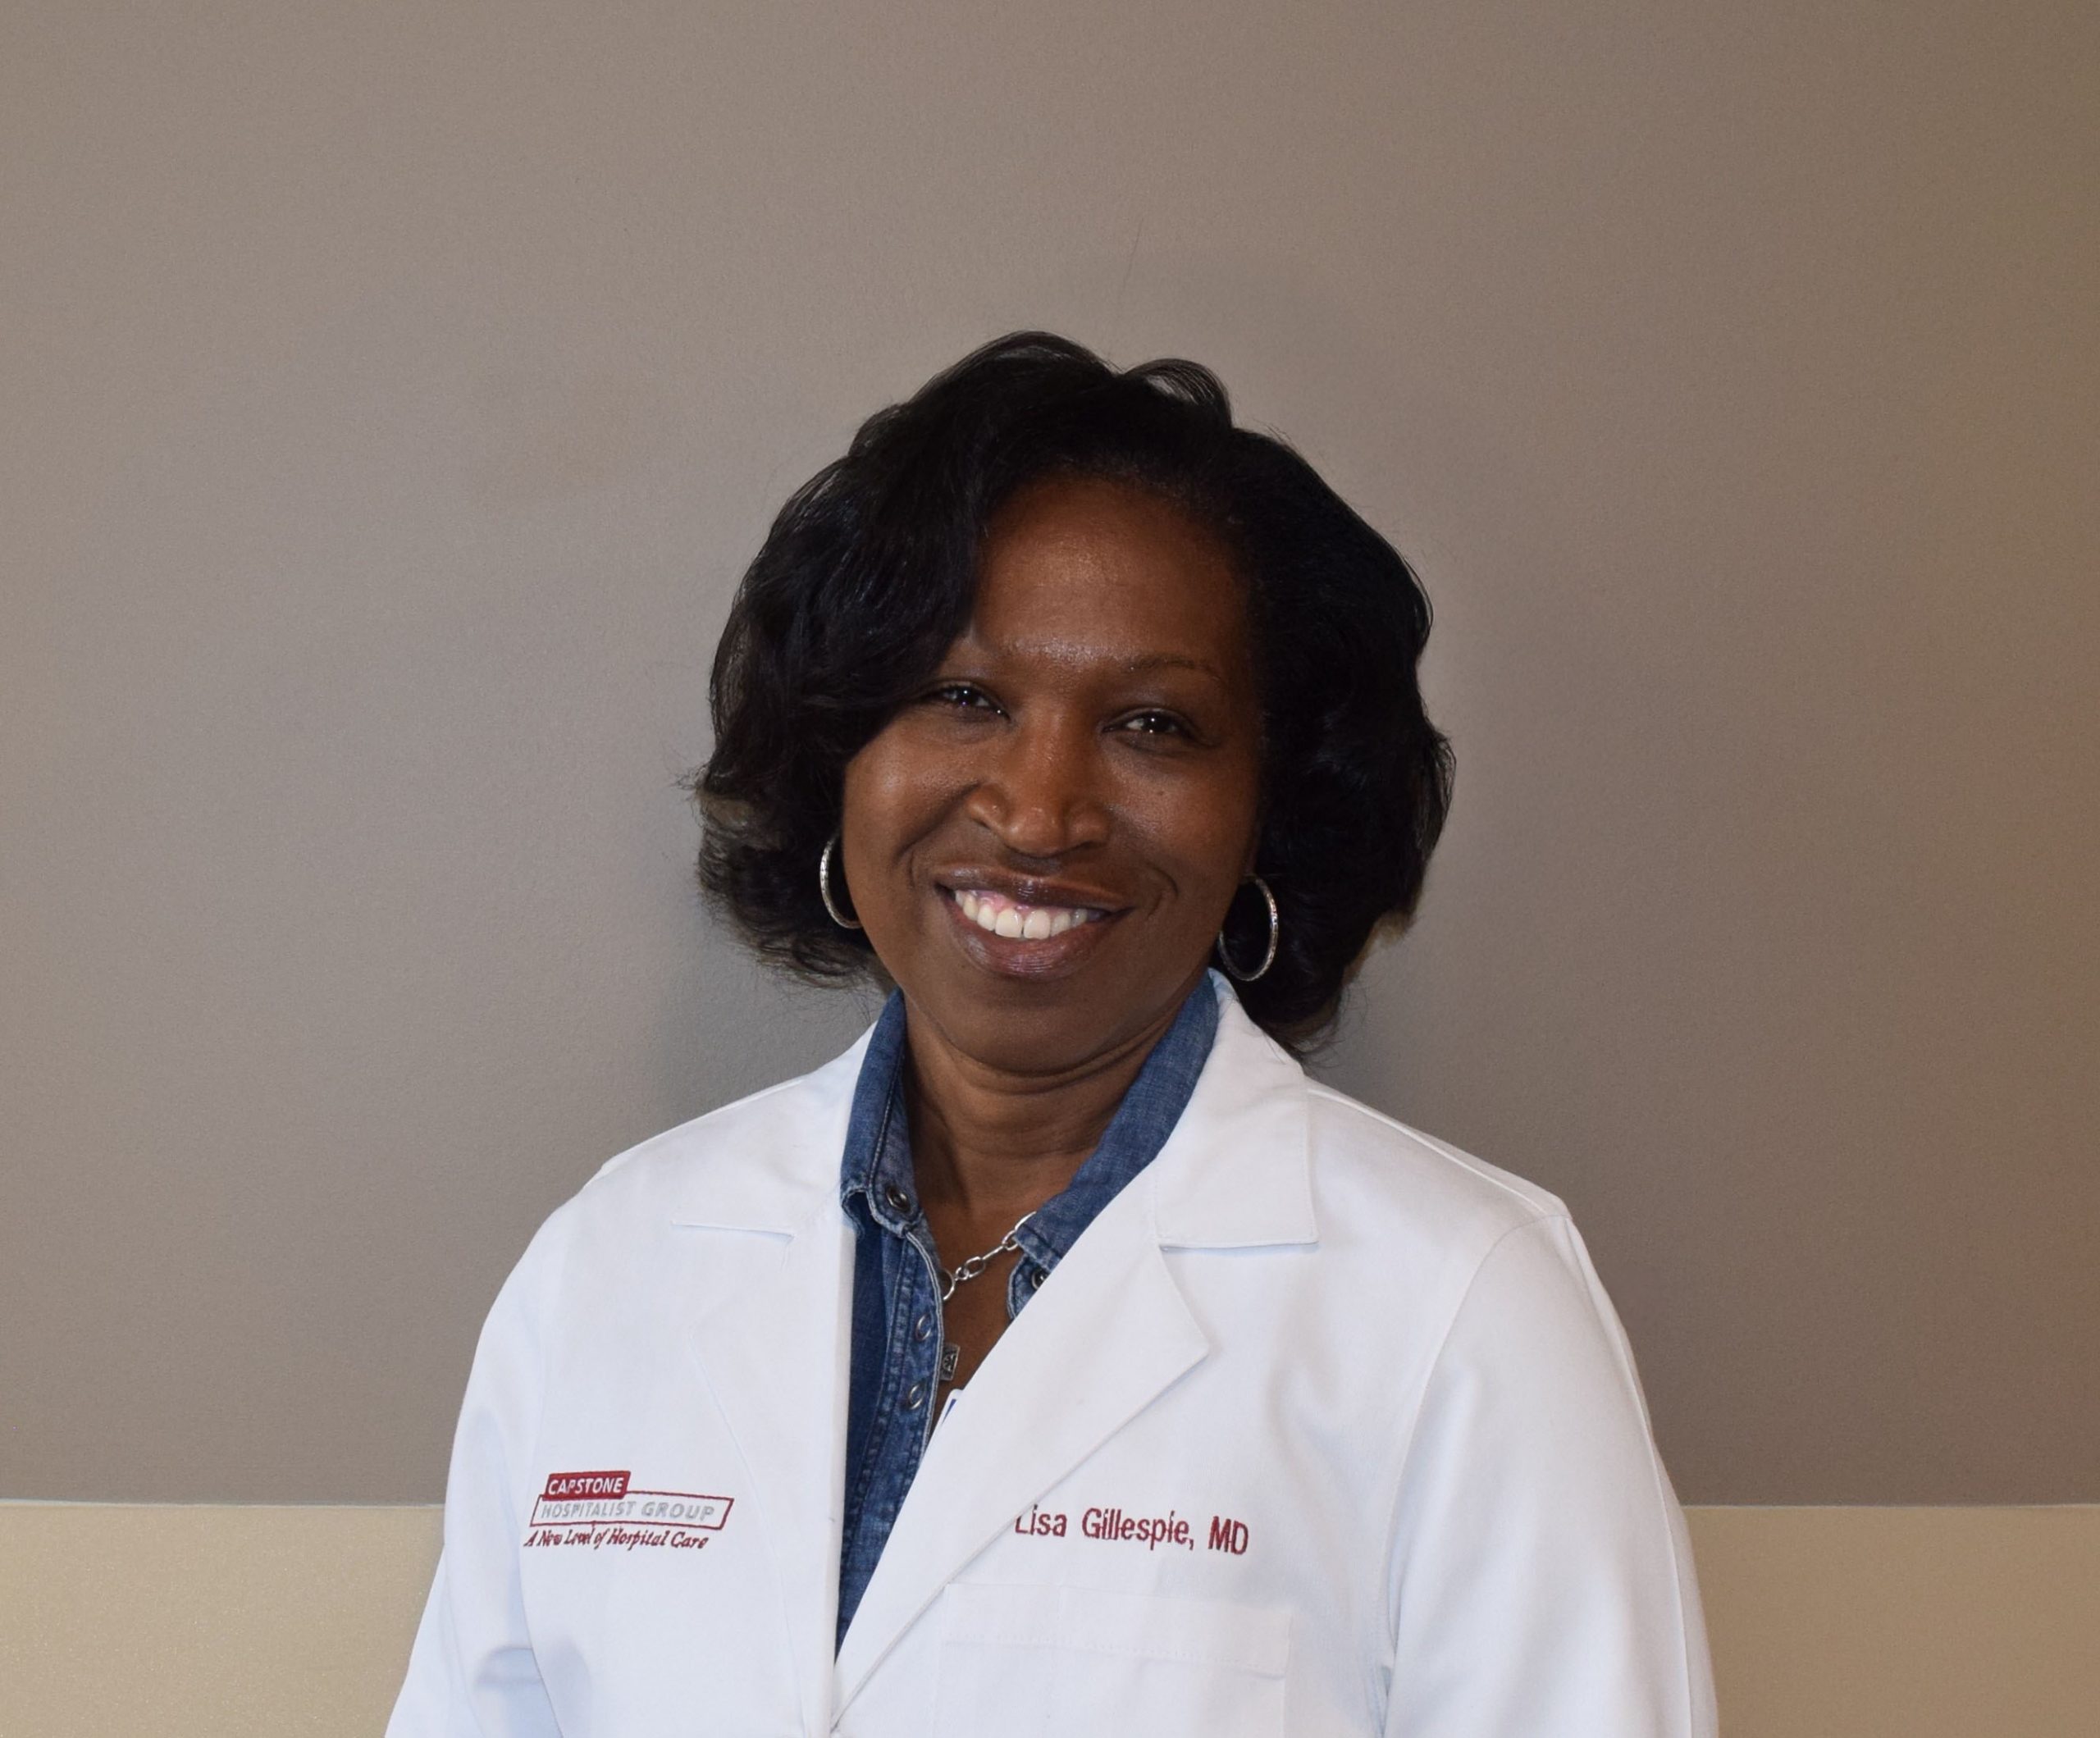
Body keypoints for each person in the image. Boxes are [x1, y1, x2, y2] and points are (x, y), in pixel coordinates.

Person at [388, 333, 1716, 1736]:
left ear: (1268, 806)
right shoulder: (610, 1263)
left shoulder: (1461, 1310)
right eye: (963, 697)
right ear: (841, 750)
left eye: (1153, 725)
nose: (1038, 813)